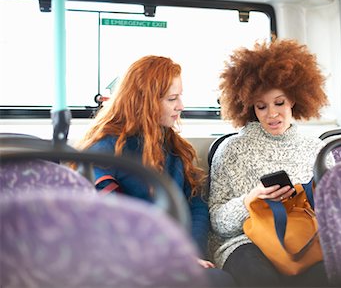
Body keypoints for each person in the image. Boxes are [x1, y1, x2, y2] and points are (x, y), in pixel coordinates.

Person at [76, 55, 235, 287]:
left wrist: (191, 252)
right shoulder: (105, 150)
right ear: (145, 102)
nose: (181, 105)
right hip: (131, 259)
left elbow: (195, 203)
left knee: (220, 281)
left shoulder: (173, 146)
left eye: (180, 96)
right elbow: (112, 220)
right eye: (172, 98)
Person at [208, 39, 335, 287]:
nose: (272, 114)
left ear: (295, 100)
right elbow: (218, 222)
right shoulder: (231, 149)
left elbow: (334, 210)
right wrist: (250, 200)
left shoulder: (316, 149)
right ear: (248, 106)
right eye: (261, 106)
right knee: (260, 278)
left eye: (279, 103)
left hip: (303, 239)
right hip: (245, 242)